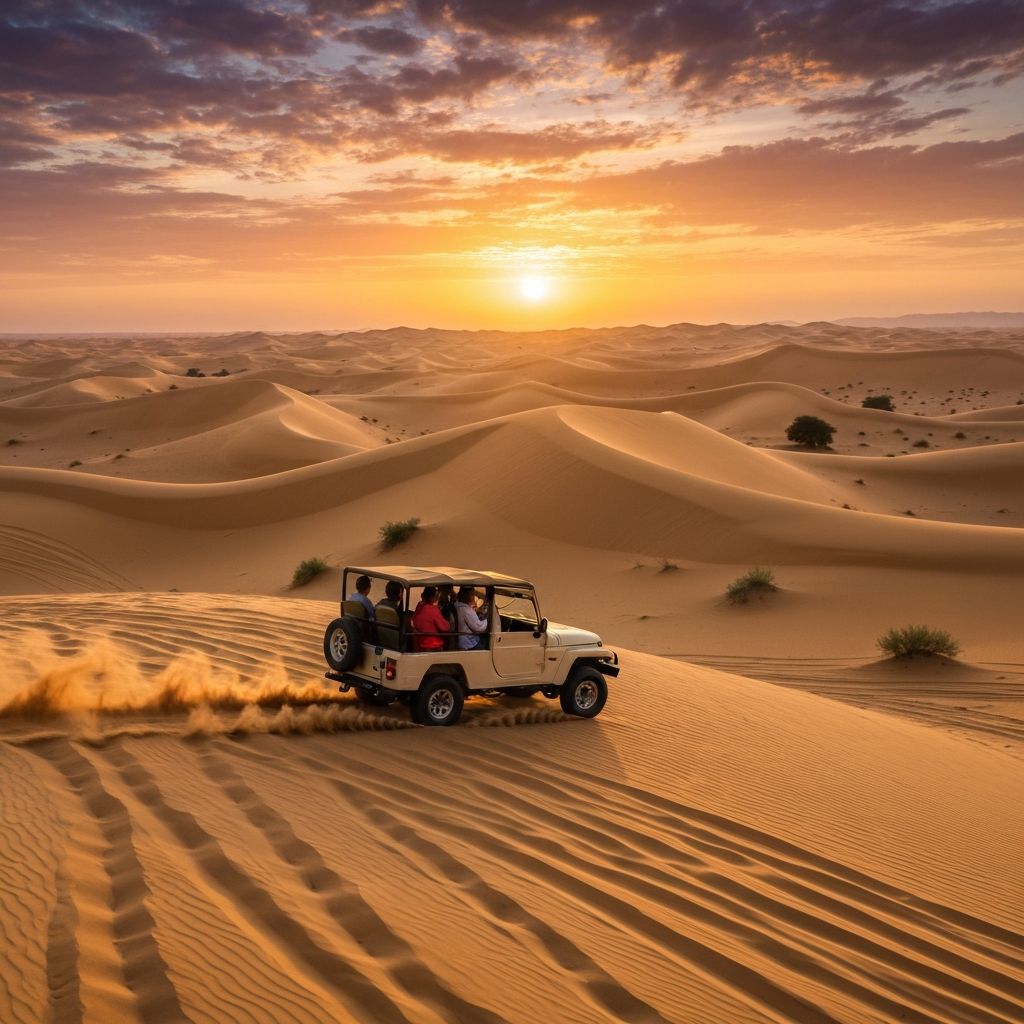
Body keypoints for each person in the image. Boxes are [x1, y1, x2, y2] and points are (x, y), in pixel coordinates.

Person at [411, 586, 449, 652]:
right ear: (433, 597)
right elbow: (445, 627)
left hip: (419, 643)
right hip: (432, 646)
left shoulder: (419, 606)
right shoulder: (433, 609)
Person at [456, 586, 489, 650]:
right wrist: (486, 619)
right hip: (469, 643)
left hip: (462, 640)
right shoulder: (467, 610)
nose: (473, 596)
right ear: (468, 595)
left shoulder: (457, 605)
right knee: (487, 641)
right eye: (472, 594)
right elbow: (479, 628)